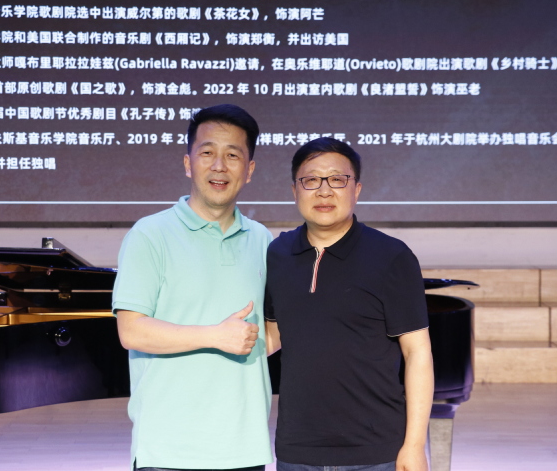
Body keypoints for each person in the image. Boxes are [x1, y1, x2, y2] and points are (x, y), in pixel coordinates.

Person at [112, 104, 274, 471]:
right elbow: (131, 331)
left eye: (232, 155)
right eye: (207, 153)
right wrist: (215, 336)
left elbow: (267, 335)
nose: (219, 166)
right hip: (169, 450)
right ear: (188, 163)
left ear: (249, 170)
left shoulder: (262, 240)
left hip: (245, 448)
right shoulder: (149, 234)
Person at [264, 137, 434, 471]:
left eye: (337, 179)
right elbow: (273, 336)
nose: (324, 191)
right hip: (297, 451)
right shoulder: (278, 254)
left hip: (375, 452)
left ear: (356, 189)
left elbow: (418, 353)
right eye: (311, 180)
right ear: (294, 190)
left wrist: (414, 446)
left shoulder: (391, 256)